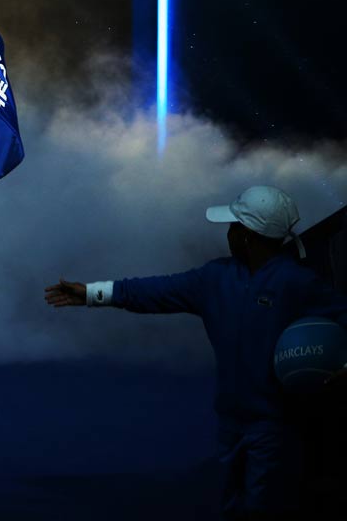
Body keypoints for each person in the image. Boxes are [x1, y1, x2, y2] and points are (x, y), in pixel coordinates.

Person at [44, 185, 347, 520]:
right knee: (233, 503)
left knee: (265, 504)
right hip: (232, 420)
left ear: (248, 236)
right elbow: (155, 291)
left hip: (277, 425)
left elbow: (342, 318)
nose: (229, 232)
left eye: (234, 226)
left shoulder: (296, 283)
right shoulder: (216, 277)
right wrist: (91, 294)